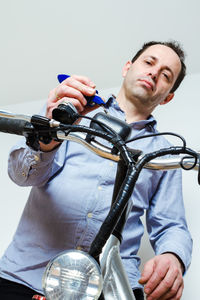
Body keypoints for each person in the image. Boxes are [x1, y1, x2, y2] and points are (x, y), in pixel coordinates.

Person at [0, 41, 192, 300]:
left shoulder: (166, 155)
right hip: (27, 277)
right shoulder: (71, 113)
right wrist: (48, 134)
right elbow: (21, 175)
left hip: (111, 287)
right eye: (149, 62)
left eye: (166, 74)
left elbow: (172, 225)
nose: (155, 72)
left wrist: (173, 256)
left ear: (168, 96)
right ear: (127, 67)